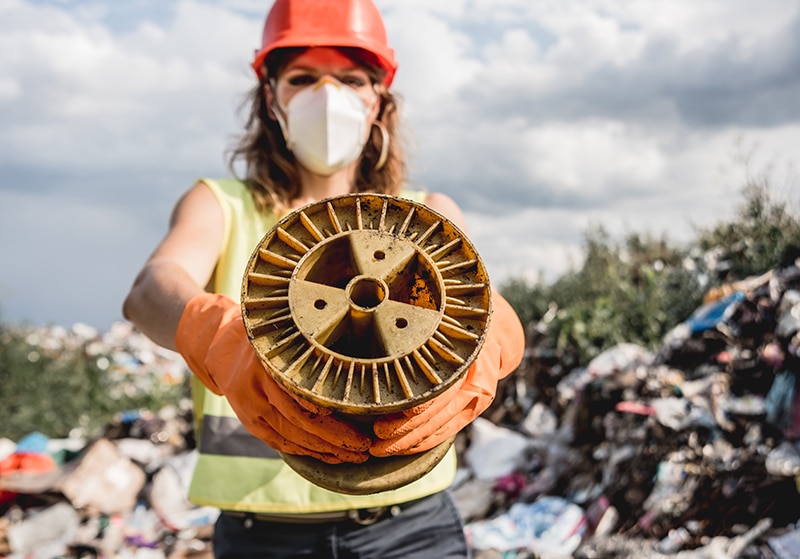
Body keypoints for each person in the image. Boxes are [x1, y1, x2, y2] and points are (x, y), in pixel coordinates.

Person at [122, 0, 526, 557]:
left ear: (378, 99)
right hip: (263, 533)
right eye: (303, 78)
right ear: (272, 96)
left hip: (412, 526)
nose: (327, 97)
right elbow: (149, 292)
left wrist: (490, 341)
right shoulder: (224, 207)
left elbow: (479, 308)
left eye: (351, 79)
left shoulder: (423, 214)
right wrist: (217, 338)